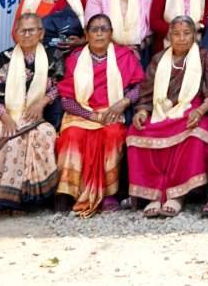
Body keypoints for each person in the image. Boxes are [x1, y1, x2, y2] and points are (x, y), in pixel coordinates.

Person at [126, 15, 208, 218]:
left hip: (192, 109)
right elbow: (146, 94)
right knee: (136, 131)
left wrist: (200, 111)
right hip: (160, 110)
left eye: (187, 33)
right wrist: (142, 112)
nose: (182, 38)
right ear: (169, 36)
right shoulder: (158, 59)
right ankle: (154, 194)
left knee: (195, 133)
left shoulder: (205, 57)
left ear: (194, 36)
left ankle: (178, 195)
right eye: (176, 34)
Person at [54, 14, 145, 216]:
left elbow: (141, 86)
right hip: (82, 113)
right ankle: (67, 192)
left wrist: (123, 102)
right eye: (94, 29)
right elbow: (66, 99)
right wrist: (91, 116)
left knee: (112, 134)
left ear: (111, 33)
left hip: (112, 111)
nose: (99, 33)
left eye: (104, 29)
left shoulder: (124, 56)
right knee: (72, 135)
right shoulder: (75, 59)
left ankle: (109, 194)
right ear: (86, 35)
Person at [0, 12, 63, 211]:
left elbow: (61, 85)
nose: (27, 34)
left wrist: (42, 102)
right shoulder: (6, 57)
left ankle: (33, 197)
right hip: (5, 113)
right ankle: (5, 198)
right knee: (10, 137)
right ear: (16, 34)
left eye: (31, 30)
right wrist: (5, 117)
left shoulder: (52, 56)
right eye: (22, 31)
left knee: (45, 133)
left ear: (41, 33)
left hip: (37, 115)